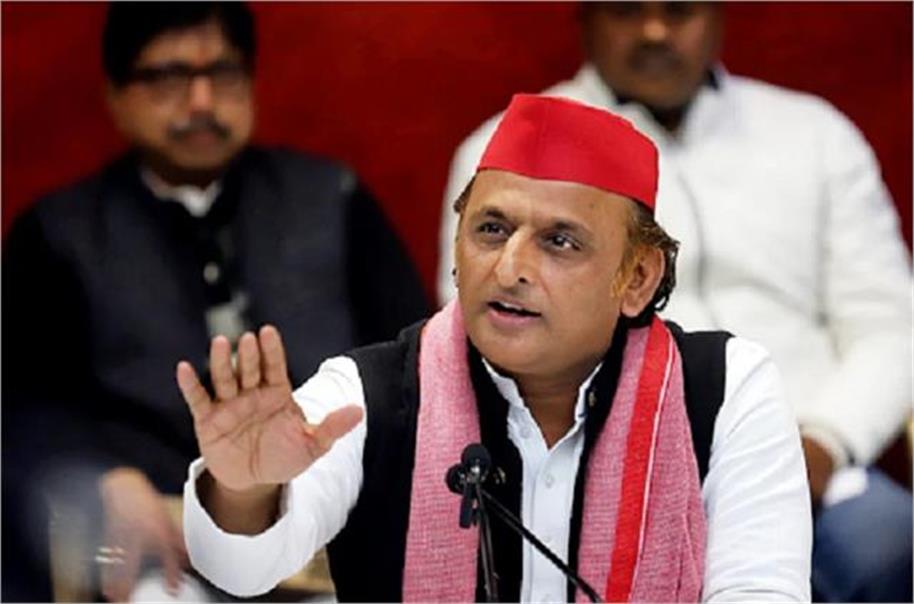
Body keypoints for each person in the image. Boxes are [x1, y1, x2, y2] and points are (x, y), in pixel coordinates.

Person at [179, 94, 811, 602]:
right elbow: (242, 571)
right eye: (491, 229)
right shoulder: (366, 394)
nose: (509, 269)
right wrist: (244, 490)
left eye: (560, 242)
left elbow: (761, 591)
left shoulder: (724, 391)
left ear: (638, 277)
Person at [437, 3, 913, 601]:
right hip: (601, 467)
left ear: (718, 16)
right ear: (585, 19)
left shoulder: (814, 136)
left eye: (679, 9)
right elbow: (494, 329)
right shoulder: (511, 149)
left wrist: (822, 443)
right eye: (626, 10)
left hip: (814, 459)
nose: (655, 31)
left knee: (892, 545)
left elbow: (891, 326)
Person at [1, 3, 428, 601]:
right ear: (117, 95)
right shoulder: (58, 234)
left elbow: (416, 365)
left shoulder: (333, 199)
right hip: (156, 554)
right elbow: (22, 405)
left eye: (222, 73)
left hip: (327, 537)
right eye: (170, 77)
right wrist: (102, 478)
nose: (202, 102)